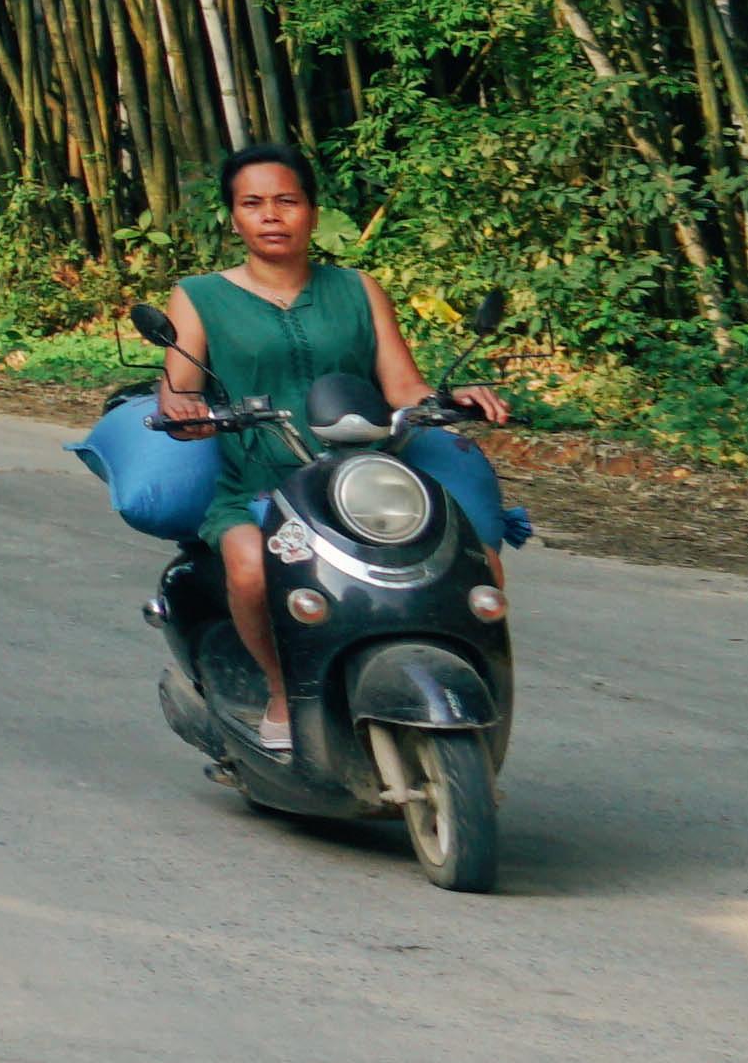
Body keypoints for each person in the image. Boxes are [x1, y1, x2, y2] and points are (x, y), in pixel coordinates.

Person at [155, 141, 512, 753]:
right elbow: (178, 389)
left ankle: (476, 709)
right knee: (248, 568)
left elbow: (404, 387)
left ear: (313, 213)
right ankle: (278, 689)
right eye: (253, 203)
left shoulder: (358, 289)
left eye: (287, 201)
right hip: (262, 485)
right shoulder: (199, 295)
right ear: (234, 217)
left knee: (478, 566)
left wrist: (456, 399)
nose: (271, 215)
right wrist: (186, 413)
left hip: (364, 483)